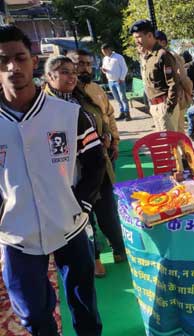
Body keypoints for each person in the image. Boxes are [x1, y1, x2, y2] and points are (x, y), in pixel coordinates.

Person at [0, 25, 104, 335]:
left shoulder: (68, 114)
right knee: (33, 314)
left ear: (33, 60)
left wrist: (81, 205)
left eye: (20, 58)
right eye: (3, 60)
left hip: (69, 224)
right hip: (17, 234)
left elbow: (96, 161)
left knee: (84, 307)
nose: (12, 67)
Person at [66, 49, 127, 277]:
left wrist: (114, 140)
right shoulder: (58, 95)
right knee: (85, 213)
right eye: (79, 64)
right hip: (75, 166)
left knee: (108, 208)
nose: (84, 68)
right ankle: (95, 258)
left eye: (88, 63)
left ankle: (119, 248)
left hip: (102, 158)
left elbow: (108, 115)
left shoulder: (95, 89)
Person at [129, 20, 183, 132]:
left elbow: (173, 82)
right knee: (166, 144)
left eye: (138, 37)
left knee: (171, 144)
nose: (136, 41)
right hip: (155, 106)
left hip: (164, 105)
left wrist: (169, 107)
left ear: (149, 35)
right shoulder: (147, 56)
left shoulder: (162, 55)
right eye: (135, 38)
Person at [155, 30, 193, 131]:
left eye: (156, 41)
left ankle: (183, 147)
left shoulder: (170, 56)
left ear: (163, 42)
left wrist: (188, 93)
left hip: (175, 99)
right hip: (168, 100)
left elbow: (183, 77)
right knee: (178, 132)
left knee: (177, 133)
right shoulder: (156, 56)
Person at [101, 43, 130, 121]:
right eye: (102, 52)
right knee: (117, 98)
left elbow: (125, 68)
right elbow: (105, 68)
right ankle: (122, 112)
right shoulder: (105, 59)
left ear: (108, 49)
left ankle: (127, 114)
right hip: (110, 81)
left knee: (122, 97)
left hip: (119, 81)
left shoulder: (118, 57)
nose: (103, 53)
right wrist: (104, 70)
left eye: (104, 51)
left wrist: (121, 78)